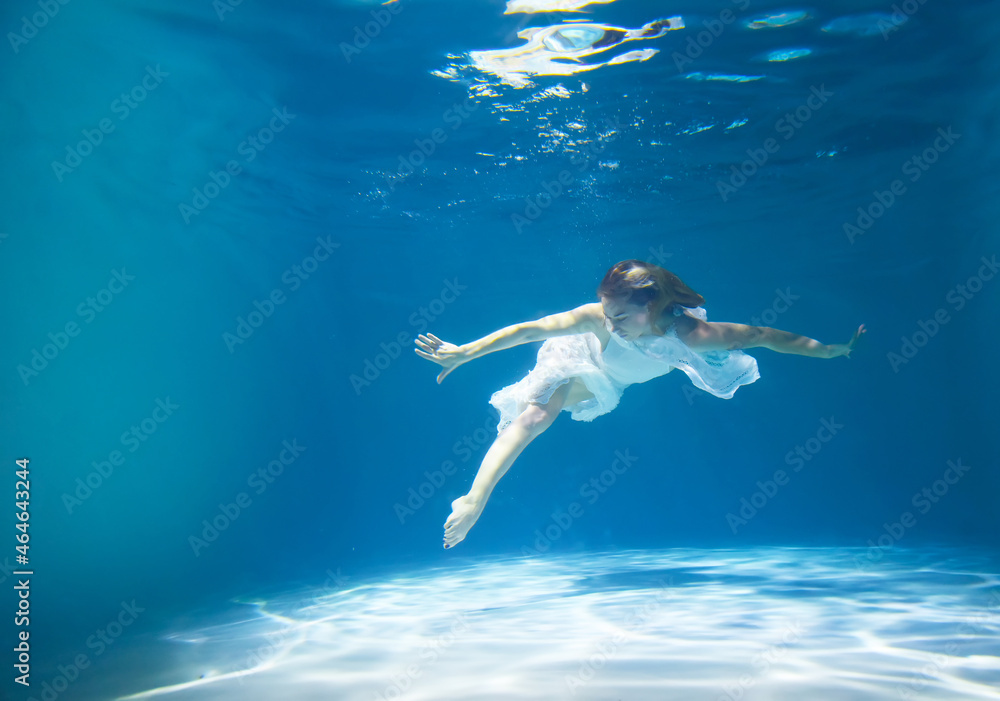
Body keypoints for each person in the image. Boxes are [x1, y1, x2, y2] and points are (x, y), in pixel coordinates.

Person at [415, 260, 865, 549]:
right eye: (607, 314)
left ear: (654, 305)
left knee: (543, 415)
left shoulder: (694, 335)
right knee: (533, 417)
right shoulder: (597, 321)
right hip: (578, 358)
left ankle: (476, 498)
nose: (613, 323)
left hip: (613, 381)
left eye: (623, 316)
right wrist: (466, 351)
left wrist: (829, 350)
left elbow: (765, 336)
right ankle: (474, 501)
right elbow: (530, 330)